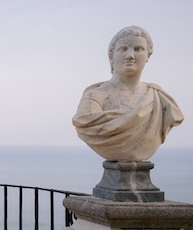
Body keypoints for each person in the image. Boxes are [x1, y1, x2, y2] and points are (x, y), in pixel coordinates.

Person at [72, 26, 183, 162]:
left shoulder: (159, 98)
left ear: (148, 56)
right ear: (111, 57)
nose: (130, 55)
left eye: (138, 49)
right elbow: (84, 121)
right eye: (123, 49)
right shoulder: (95, 96)